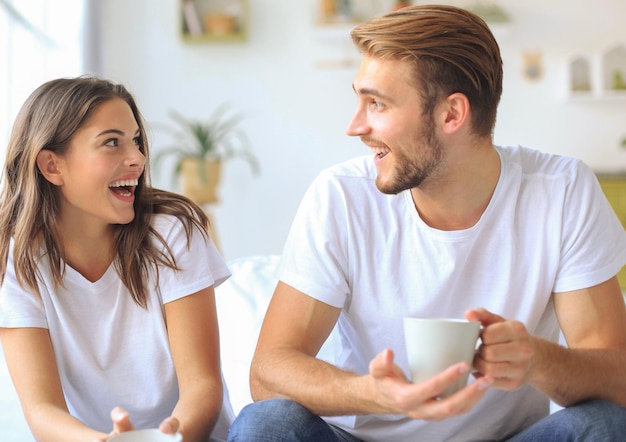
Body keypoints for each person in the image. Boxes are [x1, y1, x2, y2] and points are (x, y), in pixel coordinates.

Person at [228, 5, 626, 442]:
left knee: (607, 425)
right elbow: (268, 371)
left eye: (376, 103)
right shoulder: (341, 196)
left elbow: (617, 379)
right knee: (265, 425)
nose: (355, 126)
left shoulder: (561, 190)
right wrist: (372, 393)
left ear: (451, 114)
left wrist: (539, 360)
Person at [0, 76, 234, 441]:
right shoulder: (18, 260)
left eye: (136, 141)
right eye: (112, 142)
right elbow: (42, 410)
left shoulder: (172, 234)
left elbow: (202, 387)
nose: (138, 158)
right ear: (52, 167)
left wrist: (166, 438)